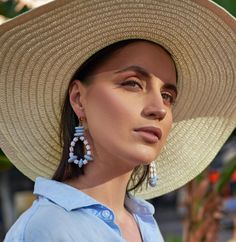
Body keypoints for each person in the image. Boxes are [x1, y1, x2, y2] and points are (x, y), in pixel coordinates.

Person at [0, 0, 235, 241]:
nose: (159, 109)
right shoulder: (48, 228)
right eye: (132, 83)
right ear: (79, 99)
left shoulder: (143, 222)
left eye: (167, 96)